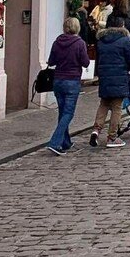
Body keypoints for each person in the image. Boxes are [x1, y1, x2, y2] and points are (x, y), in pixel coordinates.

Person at [90, 13, 130, 149]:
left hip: (104, 76)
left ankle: (96, 130)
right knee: (116, 107)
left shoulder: (101, 40)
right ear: (121, 25)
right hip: (119, 76)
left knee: (103, 104)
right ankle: (112, 137)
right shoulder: (125, 40)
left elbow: (99, 59)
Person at [46, 16, 90, 155]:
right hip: (72, 81)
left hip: (58, 80)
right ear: (77, 28)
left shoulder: (57, 42)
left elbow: (51, 61)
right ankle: (55, 142)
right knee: (68, 113)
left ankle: (65, 142)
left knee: (62, 112)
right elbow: (85, 62)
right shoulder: (79, 43)